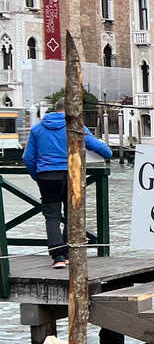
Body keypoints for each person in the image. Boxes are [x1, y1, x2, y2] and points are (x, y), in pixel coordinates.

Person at [22, 107, 113, 268]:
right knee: (72, 214)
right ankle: (69, 253)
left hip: (46, 176)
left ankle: (58, 257)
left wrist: (37, 176)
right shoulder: (75, 126)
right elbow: (101, 149)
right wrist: (107, 153)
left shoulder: (37, 128)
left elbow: (28, 158)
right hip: (72, 175)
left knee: (52, 216)